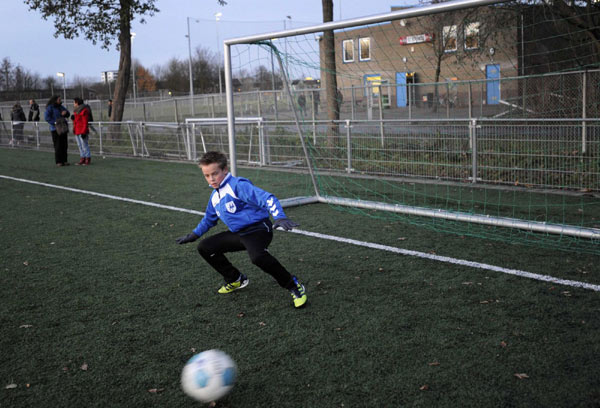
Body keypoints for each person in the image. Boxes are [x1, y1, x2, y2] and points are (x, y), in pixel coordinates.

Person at [176, 151, 307, 309]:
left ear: (225, 169)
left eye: (215, 174)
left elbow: (267, 198)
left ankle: (293, 285)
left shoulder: (238, 186)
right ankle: (235, 279)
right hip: (239, 234)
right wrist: (194, 235)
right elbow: (209, 219)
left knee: (258, 257)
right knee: (205, 247)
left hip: (258, 230)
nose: (211, 179)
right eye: (207, 175)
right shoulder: (214, 197)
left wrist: (279, 216)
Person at [44, 95, 70, 167]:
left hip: (63, 128)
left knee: (64, 145)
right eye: (59, 99)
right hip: (55, 129)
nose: (60, 101)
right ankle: (59, 161)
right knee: (58, 145)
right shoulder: (50, 108)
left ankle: (65, 160)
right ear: (55, 100)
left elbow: (68, 113)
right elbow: (46, 117)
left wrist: (66, 113)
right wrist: (54, 122)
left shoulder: (61, 107)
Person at [71, 97, 92, 166]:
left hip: (82, 130)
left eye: (74, 102)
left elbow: (85, 122)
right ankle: (82, 157)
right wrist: (73, 119)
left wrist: (84, 131)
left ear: (77, 103)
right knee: (80, 145)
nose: (73, 104)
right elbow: (76, 121)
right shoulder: (75, 110)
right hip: (77, 130)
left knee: (84, 145)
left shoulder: (84, 110)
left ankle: (87, 158)